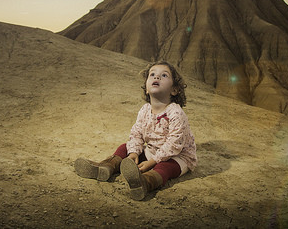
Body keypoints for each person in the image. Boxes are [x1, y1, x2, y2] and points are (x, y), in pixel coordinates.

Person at [74, 61, 197, 200]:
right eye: (152, 75)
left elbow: (174, 144)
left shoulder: (175, 113)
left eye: (164, 75)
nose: (157, 77)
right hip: (153, 151)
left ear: (174, 90)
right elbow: (136, 134)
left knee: (165, 167)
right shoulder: (145, 110)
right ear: (146, 88)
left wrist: (152, 162)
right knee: (124, 147)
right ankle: (106, 167)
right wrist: (133, 153)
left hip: (178, 156)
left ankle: (145, 182)